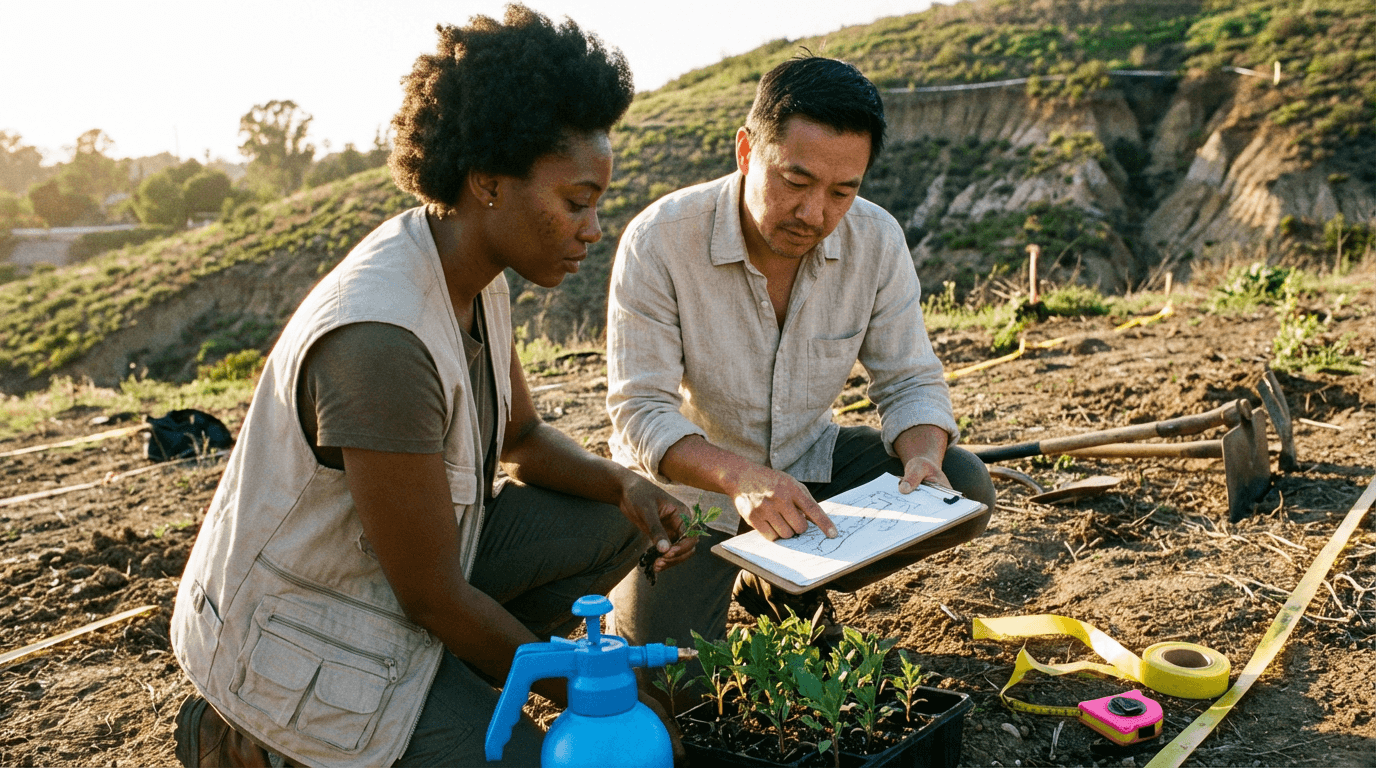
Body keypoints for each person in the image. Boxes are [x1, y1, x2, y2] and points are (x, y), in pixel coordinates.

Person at [168, 7, 694, 767]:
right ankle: (238, 741)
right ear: (487, 184)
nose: (593, 229)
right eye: (576, 203)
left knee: (613, 520)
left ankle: (450, 678)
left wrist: (624, 485)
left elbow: (518, 440)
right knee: (515, 756)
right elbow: (432, 597)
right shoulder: (382, 344)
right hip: (303, 628)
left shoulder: (472, 272)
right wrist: (594, 684)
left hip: (398, 584)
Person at [605, 55, 997, 668]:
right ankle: (745, 571)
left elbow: (910, 379)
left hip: (803, 466)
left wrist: (923, 457)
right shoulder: (660, 238)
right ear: (745, 151)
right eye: (795, 181)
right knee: (665, 676)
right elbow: (640, 410)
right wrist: (740, 478)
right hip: (688, 491)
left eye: (842, 191)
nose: (815, 214)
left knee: (964, 485)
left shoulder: (876, 239)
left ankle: (777, 580)